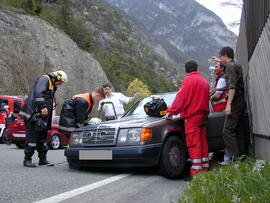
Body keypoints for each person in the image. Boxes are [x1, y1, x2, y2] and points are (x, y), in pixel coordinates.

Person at [163, 60, 210, 178]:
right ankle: (205, 168)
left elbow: (181, 99)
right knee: (203, 141)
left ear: (185, 69)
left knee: (194, 143)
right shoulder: (204, 81)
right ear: (196, 68)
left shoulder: (188, 81)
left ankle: (196, 173)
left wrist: (171, 112)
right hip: (203, 116)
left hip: (193, 116)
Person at [19, 70, 68, 167]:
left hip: (43, 117)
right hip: (34, 115)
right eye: (60, 81)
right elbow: (38, 93)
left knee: (43, 138)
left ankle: (43, 159)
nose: (60, 84)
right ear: (56, 77)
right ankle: (27, 159)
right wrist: (42, 106)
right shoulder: (44, 79)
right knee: (32, 138)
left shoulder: (51, 84)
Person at [212, 46, 247, 163]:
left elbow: (232, 87)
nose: (220, 59)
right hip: (240, 101)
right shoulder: (234, 65)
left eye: (221, 56)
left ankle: (236, 160)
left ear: (225, 55)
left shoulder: (230, 68)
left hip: (235, 101)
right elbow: (227, 66)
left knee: (227, 131)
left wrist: (228, 105)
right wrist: (217, 60)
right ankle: (242, 157)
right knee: (238, 130)